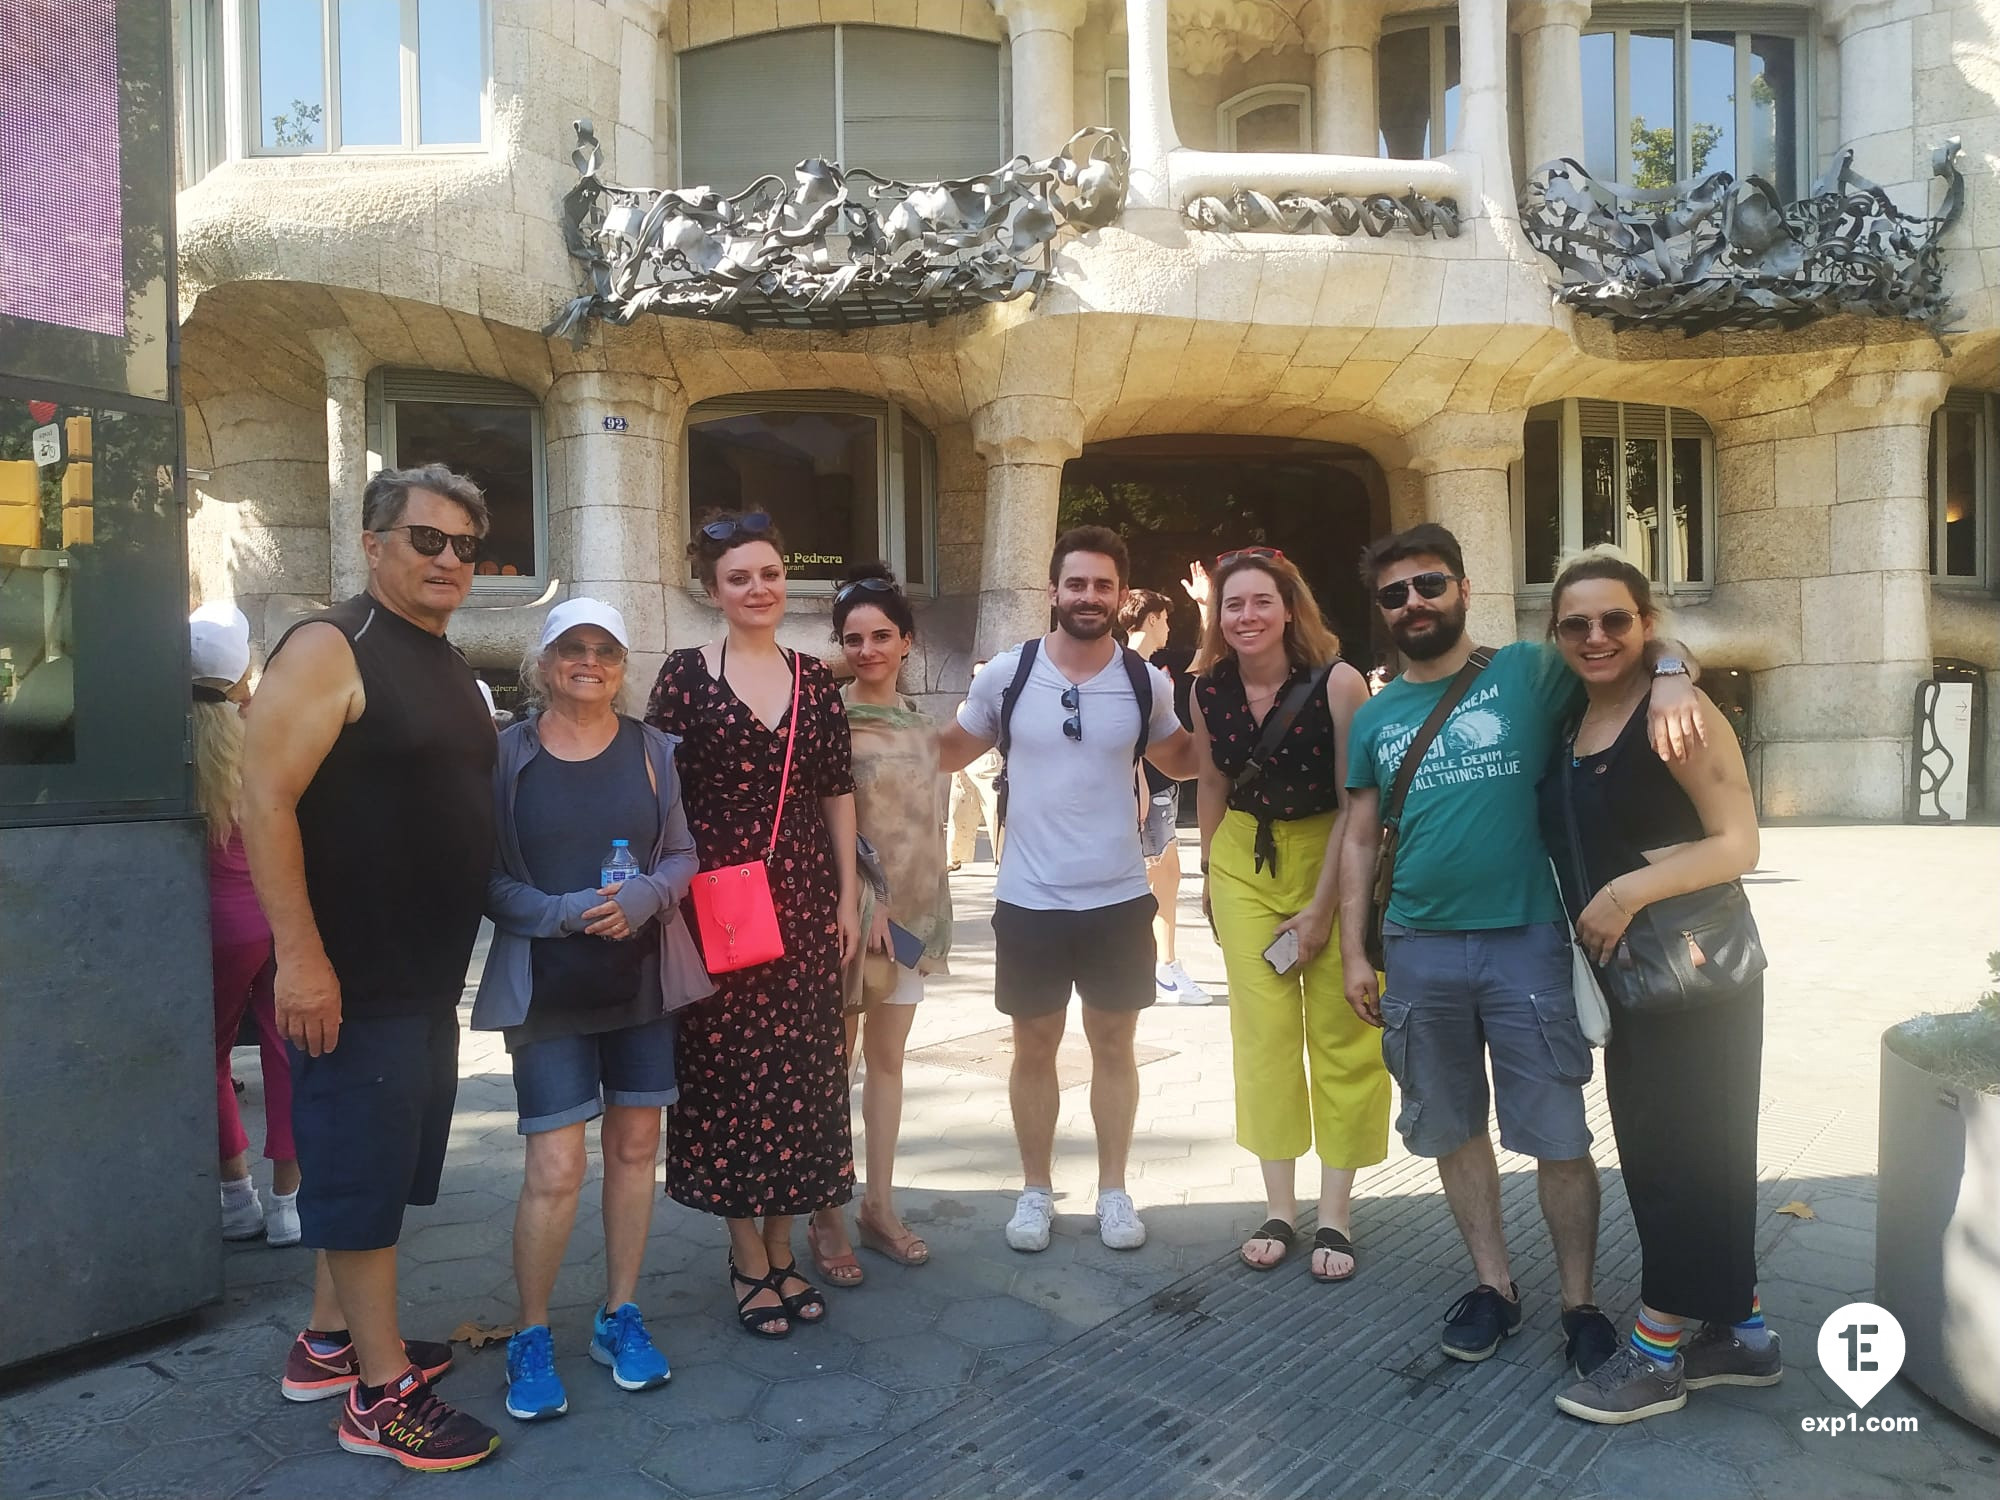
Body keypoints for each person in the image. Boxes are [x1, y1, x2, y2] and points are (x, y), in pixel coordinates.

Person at [1334, 523, 1703, 1378]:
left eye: (1430, 584)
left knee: (1558, 1134)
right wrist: (1355, 952)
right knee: (1452, 1126)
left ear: (1464, 589)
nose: (1414, 602)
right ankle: (1493, 1286)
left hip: (1529, 939)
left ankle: (1580, 1302)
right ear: (1381, 609)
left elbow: (1637, 648)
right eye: (1394, 593)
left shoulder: (1531, 672)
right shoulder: (1376, 715)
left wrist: (1674, 675)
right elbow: (1357, 837)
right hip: (1417, 947)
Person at [241, 463, 500, 1470]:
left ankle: (328, 1342)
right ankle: (379, 1398)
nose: (448, 559)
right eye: (426, 539)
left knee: (373, 1171)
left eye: (464, 546)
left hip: (422, 980)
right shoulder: (330, 645)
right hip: (350, 981)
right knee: (359, 1174)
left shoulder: (442, 656)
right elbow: (265, 799)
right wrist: (301, 959)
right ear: (373, 542)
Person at [1535, 549, 1776, 1424]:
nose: (1596, 636)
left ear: (1646, 622)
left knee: (1684, 1159)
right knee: (1668, 1152)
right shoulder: (1574, 715)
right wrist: (1673, 663)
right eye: (1576, 624)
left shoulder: (1679, 711)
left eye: (1617, 620)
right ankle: (1744, 1335)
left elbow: (1739, 842)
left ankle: (1657, 1352)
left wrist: (1625, 892)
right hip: (1635, 975)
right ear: (1556, 634)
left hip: (1694, 971)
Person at [474, 597, 712, 1421]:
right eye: (572, 648)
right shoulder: (505, 756)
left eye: (605, 650)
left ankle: (620, 1314)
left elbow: (682, 854)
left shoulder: (654, 750)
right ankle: (532, 1333)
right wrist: (562, 912)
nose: (590, 662)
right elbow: (485, 877)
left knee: (637, 1148)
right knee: (555, 1168)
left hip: (641, 982)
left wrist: (647, 896)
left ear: (622, 665)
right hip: (547, 987)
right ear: (543, 664)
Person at [938, 525, 1199, 1253]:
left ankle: (1114, 1192)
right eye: (1076, 583)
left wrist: (1243, 711)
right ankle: (1034, 1191)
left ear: (1120, 595)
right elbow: (951, 749)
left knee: (1115, 1046)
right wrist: (872, 723)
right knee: (1033, 1047)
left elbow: (1183, 759)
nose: (1089, 596)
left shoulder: (1144, 681)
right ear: (1052, 590)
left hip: (1118, 898)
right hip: (1030, 899)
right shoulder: (1008, 675)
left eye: (1102, 585)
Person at [644, 511, 860, 1339]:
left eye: (770, 574)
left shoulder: (816, 679)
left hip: (803, 894)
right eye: (739, 578)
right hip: (717, 902)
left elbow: (836, 790)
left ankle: (782, 1245)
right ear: (714, 591)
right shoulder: (685, 675)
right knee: (727, 1074)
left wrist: (846, 897)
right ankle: (745, 1256)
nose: (758, 588)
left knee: (804, 1074)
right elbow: (657, 788)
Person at [1188, 551, 1387, 1281]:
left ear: (1290, 607)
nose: (1246, 616)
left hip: (1331, 853)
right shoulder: (1206, 689)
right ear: (1218, 616)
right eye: (1232, 604)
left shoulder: (1339, 682)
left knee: (1344, 1030)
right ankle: (1280, 1208)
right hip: (1243, 857)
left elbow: (1355, 803)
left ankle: (1336, 1212)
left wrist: (1322, 909)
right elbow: (1212, 782)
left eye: (1261, 601)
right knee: (1263, 1037)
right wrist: (1209, 872)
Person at [806, 563, 952, 1280]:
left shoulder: (924, 726)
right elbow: (822, 824)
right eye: (853, 639)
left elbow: (925, 829)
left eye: (881, 636)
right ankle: (825, 1212)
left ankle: (880, 1206)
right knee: (834, 1068)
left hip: (913, 921)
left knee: (890, 1064)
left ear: (906, 641)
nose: (867, 650)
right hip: (851, 919)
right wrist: (864, 900)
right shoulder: (826, 719)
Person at [195, 602, 300, 1249]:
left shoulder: (172, 738)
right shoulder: (268, 729)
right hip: (277, 914)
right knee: (286, 1052)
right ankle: (290, 1204)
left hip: (214, 927)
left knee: (208, 1058)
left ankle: (237, 1197)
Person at [1120, 588, 1209, 1006]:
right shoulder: (1122, 665)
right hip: (1145, 788)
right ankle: (1164, 967)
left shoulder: (1164, 661)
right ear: (1152, 617)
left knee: (1163, 874)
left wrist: (1206, 607)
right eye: (1166, 618)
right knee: (1162, 875)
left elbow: (1211, 658)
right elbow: (1128, 734)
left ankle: (1155, 964)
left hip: (1163, 783)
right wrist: (1137, 782)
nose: (1170, 627)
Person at [946, 660, 1001, 869]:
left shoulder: (1000, 703)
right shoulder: (965, 705)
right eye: (974, 676)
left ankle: (1001, 858)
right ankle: (954, 857)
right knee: (959, 810)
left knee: (995, 813)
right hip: (965, 764)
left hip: (991, 765)